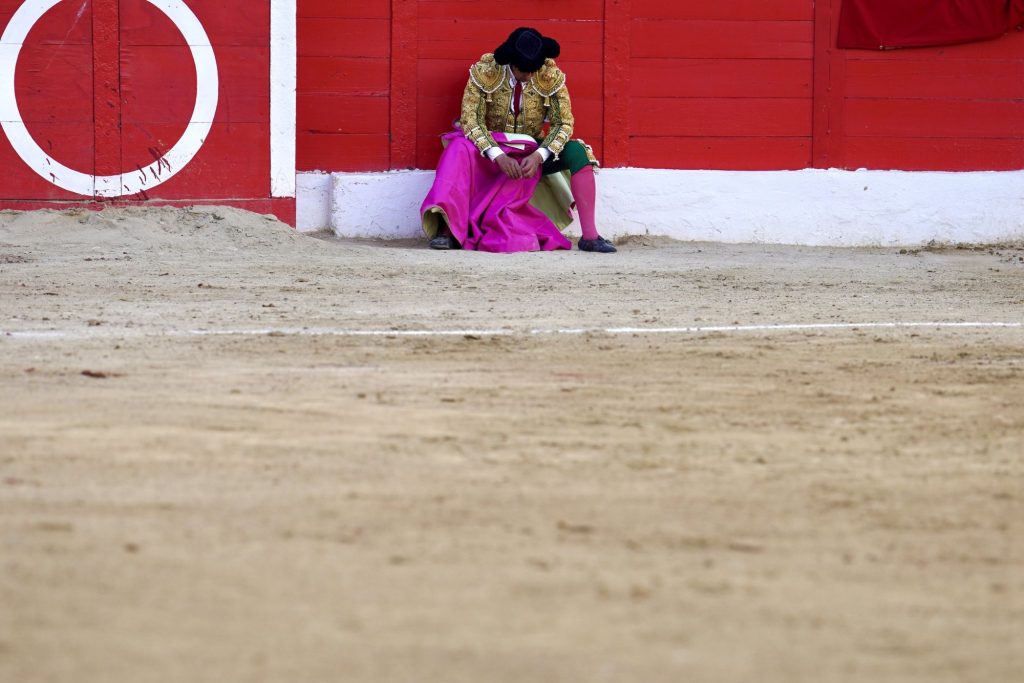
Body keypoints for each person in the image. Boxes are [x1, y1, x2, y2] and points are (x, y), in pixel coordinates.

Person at [420, 27, 616, 253]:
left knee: (578, 152)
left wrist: (539, 155)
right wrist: (497, 155)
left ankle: (590, 236)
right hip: (492, 147)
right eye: (525, 71)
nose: (531, 76)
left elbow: (564, 123)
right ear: (511, 64)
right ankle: (450, 231)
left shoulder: (549, 74)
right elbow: (471, 121)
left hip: (529, 150)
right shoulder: (485, 73)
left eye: (535, 70)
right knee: (458, 148)